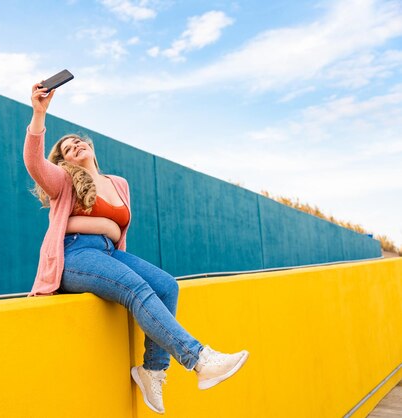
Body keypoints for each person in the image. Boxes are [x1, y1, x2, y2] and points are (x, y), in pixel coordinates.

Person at [23, 82, 249, 415]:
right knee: (136, 288)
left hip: (109, 254)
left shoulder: (118, 184)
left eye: (77, 142)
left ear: (91, 147)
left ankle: (152, 371)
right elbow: (34, 162)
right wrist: (39, 113)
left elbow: (117, 232)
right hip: (75, 256)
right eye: (66, 149)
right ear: (64, 162)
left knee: (166, 286)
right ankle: (198, 358)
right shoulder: (64, 180)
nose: (73, 147)